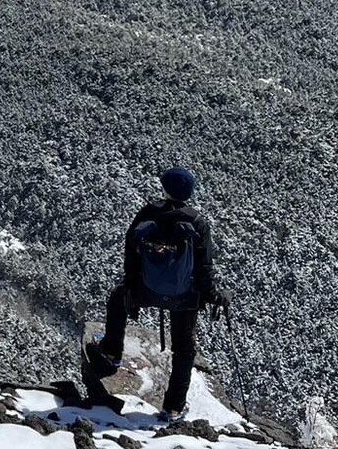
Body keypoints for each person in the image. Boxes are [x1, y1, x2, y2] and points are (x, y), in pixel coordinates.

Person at [85, 166, 230, 422]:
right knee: (184, 349)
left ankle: (111, 351)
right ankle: (173, 408)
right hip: (184, 297)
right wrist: (212, 294)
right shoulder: (197, 222)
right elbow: (204, 267)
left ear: (165, 188)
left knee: (117, 298)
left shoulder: (149, 213)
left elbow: (130, 251)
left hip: (146, 289)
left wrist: (131, 286)